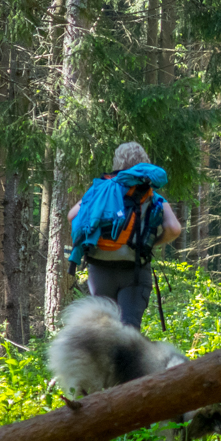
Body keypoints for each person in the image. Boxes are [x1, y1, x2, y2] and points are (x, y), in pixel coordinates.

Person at [68, 141, 183, 330]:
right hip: (134, 270)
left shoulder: (101, 189)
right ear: (145, 162)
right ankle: (127, 360)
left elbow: (73, 215)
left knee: (103, 330)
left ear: (117, 162)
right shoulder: (152, 195)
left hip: (100, 271)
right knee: (129, 331)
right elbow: (174, 228)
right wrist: (151, 243)